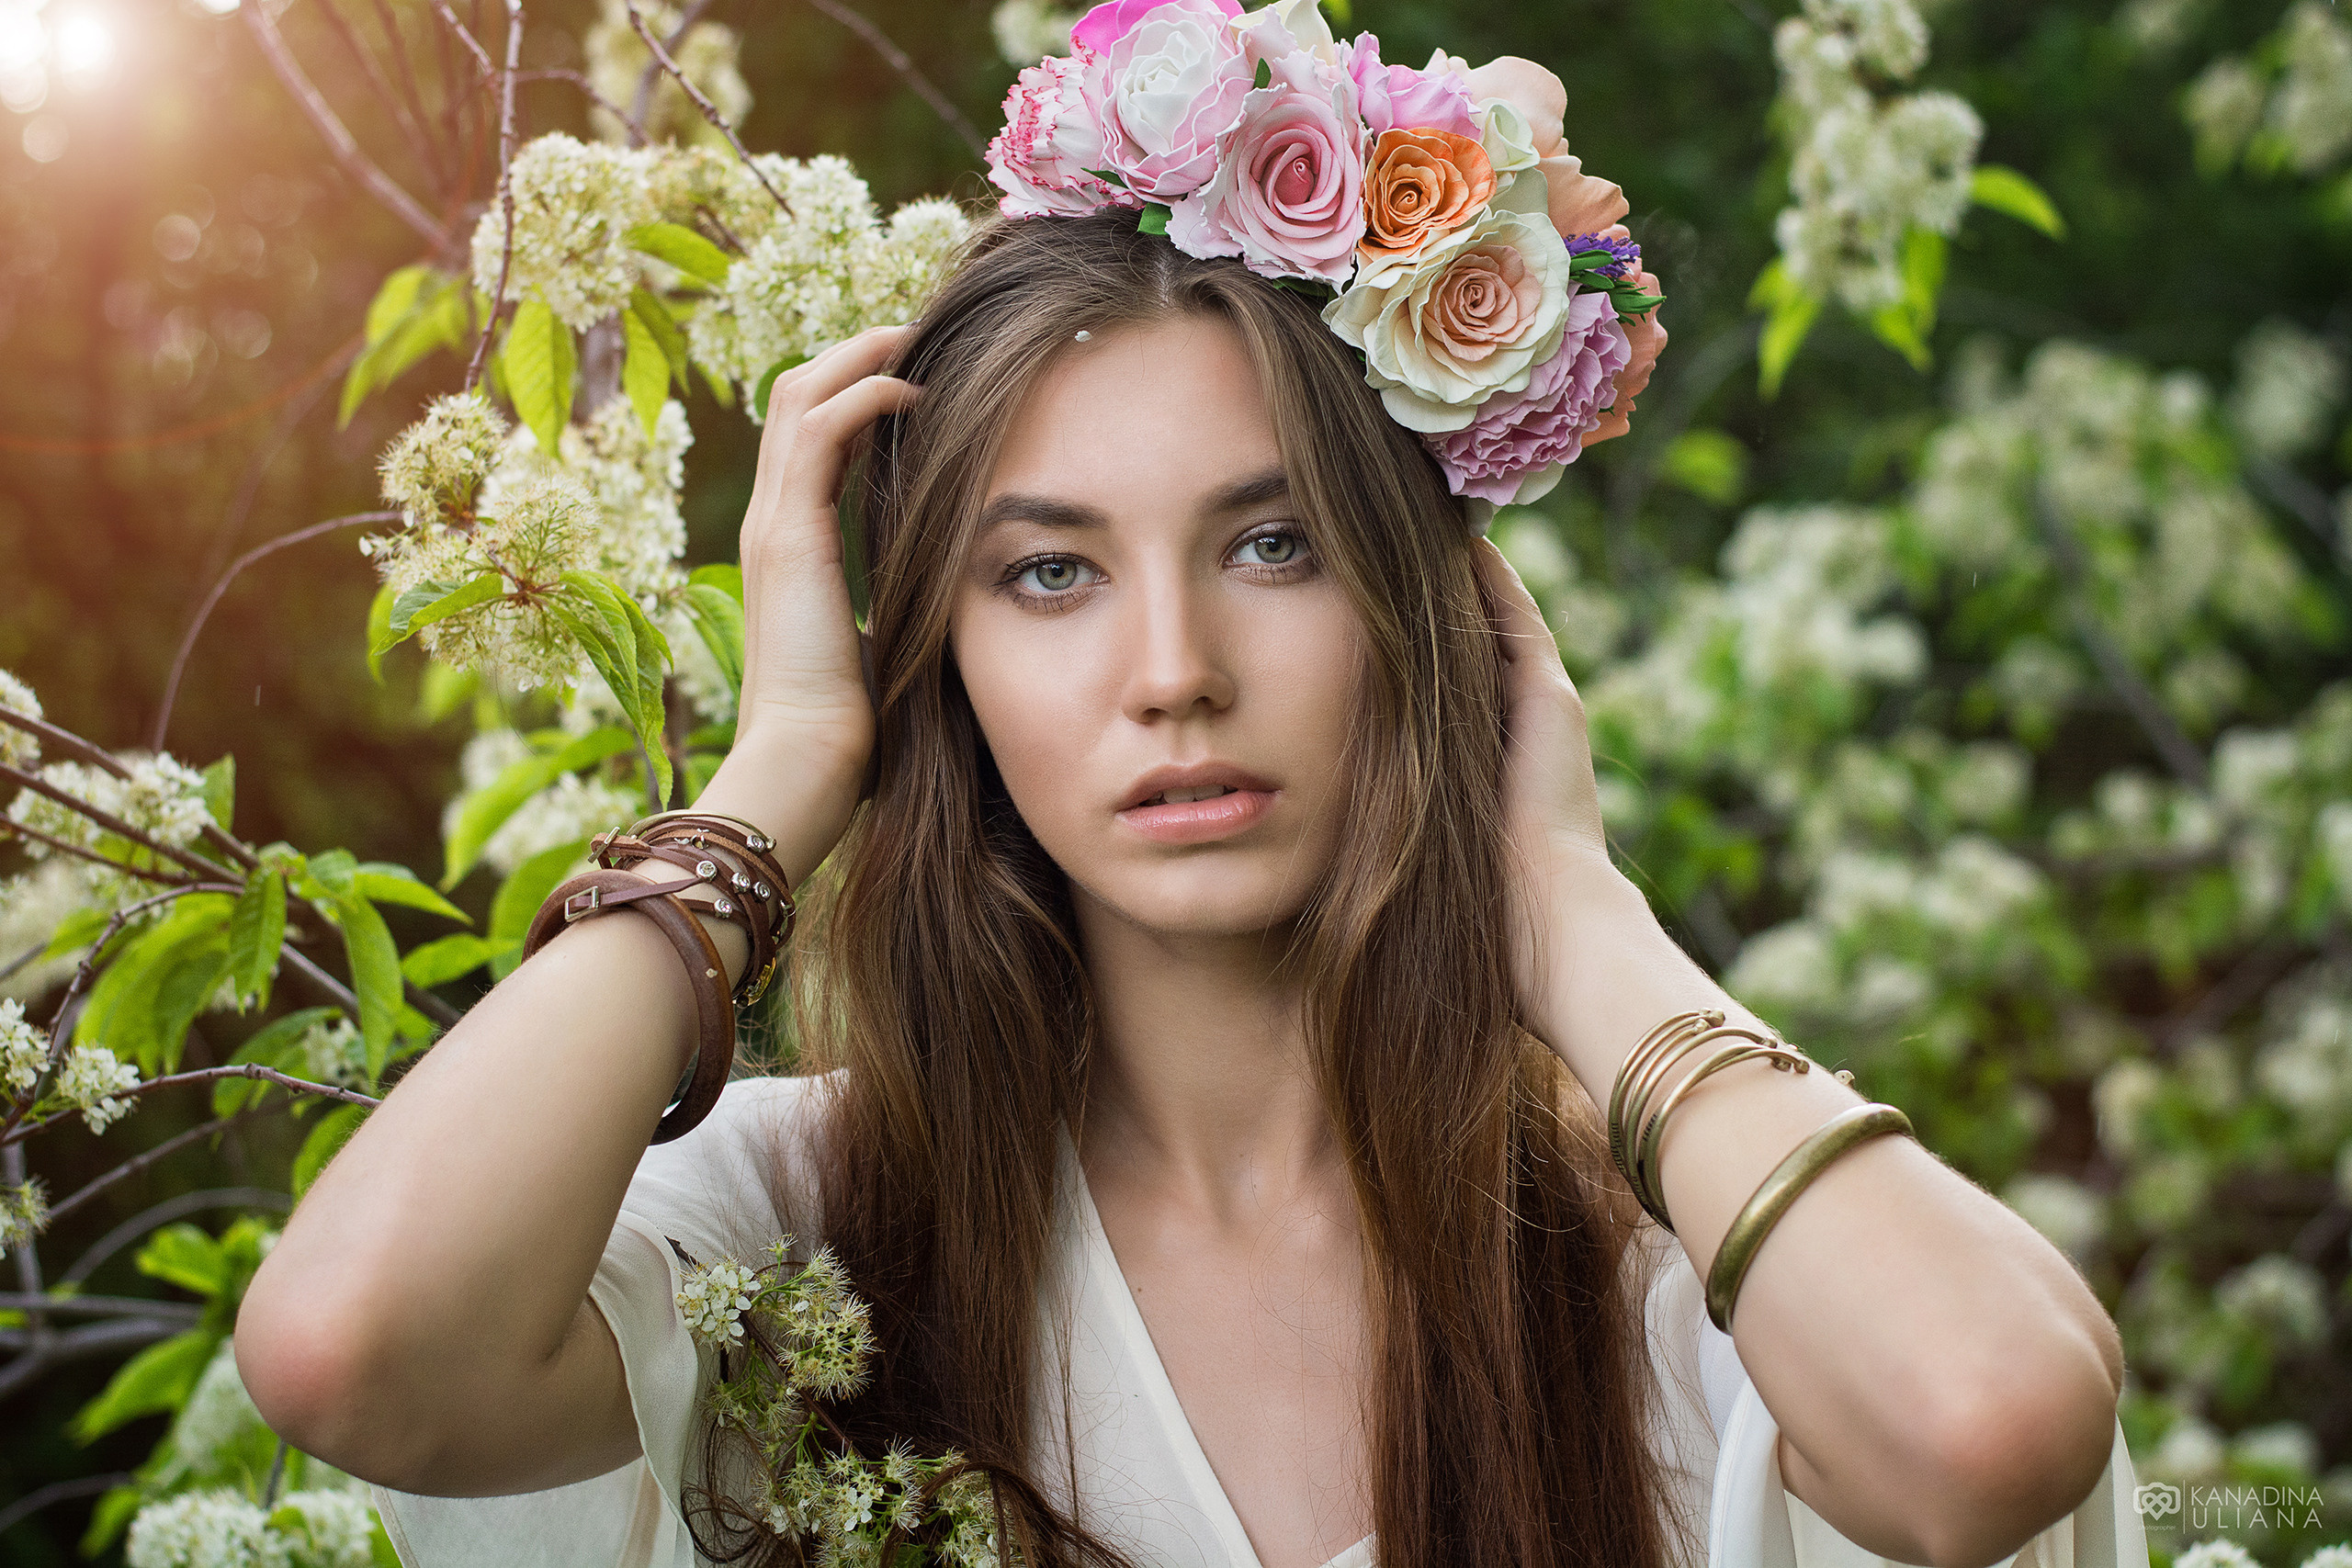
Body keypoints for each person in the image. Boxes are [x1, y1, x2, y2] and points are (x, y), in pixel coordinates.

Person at [234, 203, 2146, 1568]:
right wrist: (783, 767)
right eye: (1045, 573)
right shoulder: (791, 1235)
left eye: (1272, 541)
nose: (1171, 668)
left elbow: (1986, 1425)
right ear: (944, 655)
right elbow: (349, 1348)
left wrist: (1561, 901)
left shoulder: (1672, 1271)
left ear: (1431, 606)